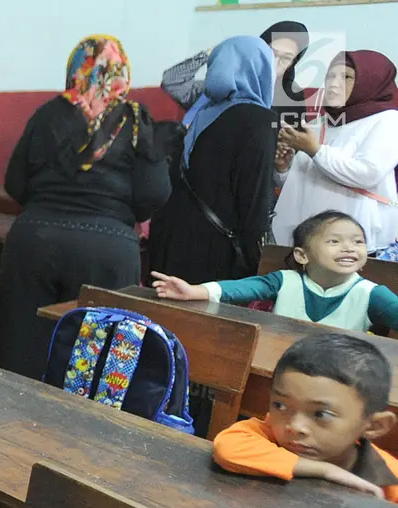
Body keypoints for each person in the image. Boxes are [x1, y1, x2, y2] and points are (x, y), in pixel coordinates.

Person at [0, 35, 171, 379]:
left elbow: (15, 181)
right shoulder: (135, 119)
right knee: (94, 362)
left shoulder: (48, 113)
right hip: (106, 247)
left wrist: (47, 206)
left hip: (35, 240)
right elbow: (154, 192)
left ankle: (9, 428)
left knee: (21, 353)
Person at [148, 36, 277, 285]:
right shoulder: (259, 119)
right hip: (214, 251)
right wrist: (258, 264)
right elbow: (253, 199)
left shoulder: (201, 113)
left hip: (168, 235)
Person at [213, 333, 398, 502]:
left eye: (321, 414)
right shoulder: (267, 434)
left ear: (374, 425)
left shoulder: (392, 478)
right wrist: (326, 471)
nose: (295, 426)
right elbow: (226, 447)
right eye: (280, 405)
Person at [153, 211, 398, 332]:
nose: (349, 248)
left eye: (357, 242)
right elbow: (241, 288)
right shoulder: (285, 281)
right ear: (302, 255)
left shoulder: (371, 294)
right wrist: (195, 291)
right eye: (334, 242)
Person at [273, 51, 398, 253]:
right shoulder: (320, 123)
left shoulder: (387, 120)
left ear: (369, 81)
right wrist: (283, 168)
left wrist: (315, 150)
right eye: (330, 76)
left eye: (346, 77)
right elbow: (304, 183)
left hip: (357, 242)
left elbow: (368, 173)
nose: (333, 84)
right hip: (311, 240)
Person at [162, 21, 309, 122]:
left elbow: (292, 144)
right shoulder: (224, 84)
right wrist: (211, 52)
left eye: (286, 59)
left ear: (292, 64)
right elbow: (172, 82)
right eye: (270, 53)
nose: (274, 63)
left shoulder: (290, 97)